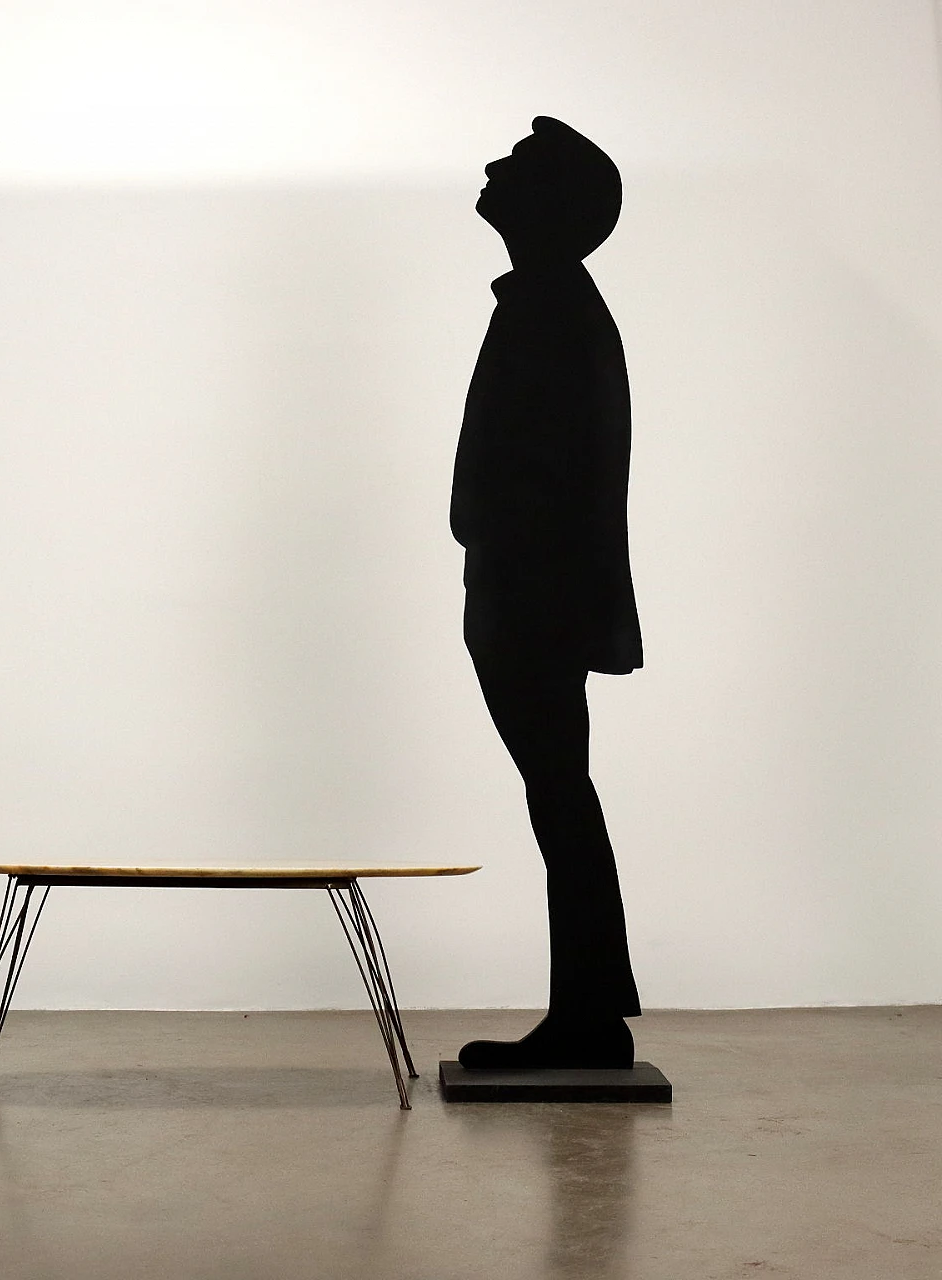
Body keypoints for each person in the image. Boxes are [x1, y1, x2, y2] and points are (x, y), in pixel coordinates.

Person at [451, 116, 642, 1070]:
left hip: (534, 600)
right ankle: (591, 1012)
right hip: (527, 594)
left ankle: (590, 1017)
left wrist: (506, 570)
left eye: (518, 165)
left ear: (552, 205)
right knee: (560, 795)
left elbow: (555, 476)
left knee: (561, 795)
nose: (492, 167)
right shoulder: (550, 304)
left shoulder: (553, 310)